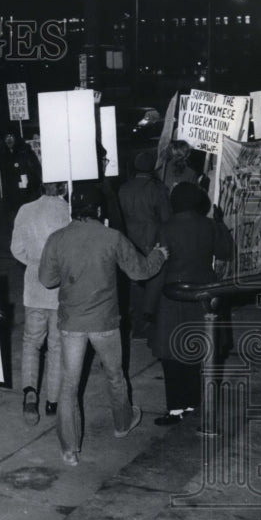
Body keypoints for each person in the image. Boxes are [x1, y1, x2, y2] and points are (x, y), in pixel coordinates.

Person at [39, 185, 169, 466]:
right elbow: (139, 271)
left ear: (72, 209)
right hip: (105, 323)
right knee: (115, 376)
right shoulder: (112, 237)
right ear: (99, 210)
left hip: (71, 323)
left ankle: (69, 450)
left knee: (69, 385)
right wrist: (159, 254)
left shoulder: (57, 239)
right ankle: (122, 423)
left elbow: (47, 280)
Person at [148, 183, 234, 429]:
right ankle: (194, 403)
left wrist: (149, 306)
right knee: (199, 351)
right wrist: (220, 223)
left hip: (172, 298)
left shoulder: (165, 229)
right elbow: (226, 252)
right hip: (204, 297)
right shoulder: (209, 226)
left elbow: (159, 269)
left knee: (171, 355)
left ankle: (176, 408)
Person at [10, 181, 70, 425]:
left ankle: (30, 394)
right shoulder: (69, 212)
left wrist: (35, 263)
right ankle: (53, 402)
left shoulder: (26, 209)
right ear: (64, 187)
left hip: (35, 285)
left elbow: (16, 249)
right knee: (57, 346)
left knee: (32, 343)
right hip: (62, 288)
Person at [118, 151, 172, 337]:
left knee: (133, 282)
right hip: (151, 240)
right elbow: (166, 218)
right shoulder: (158, 189)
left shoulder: (123, 188)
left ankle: (134, 323)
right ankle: (146, 324)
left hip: (128, 239)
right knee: (150, 281)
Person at [0, 129, 42, 214]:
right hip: (13, 197)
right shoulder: (4, 154)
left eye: (11, 136)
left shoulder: (25, 151)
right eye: (6, 137)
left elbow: (36, 170)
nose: (9, 139)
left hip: (28, 194)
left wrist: (31, 188)